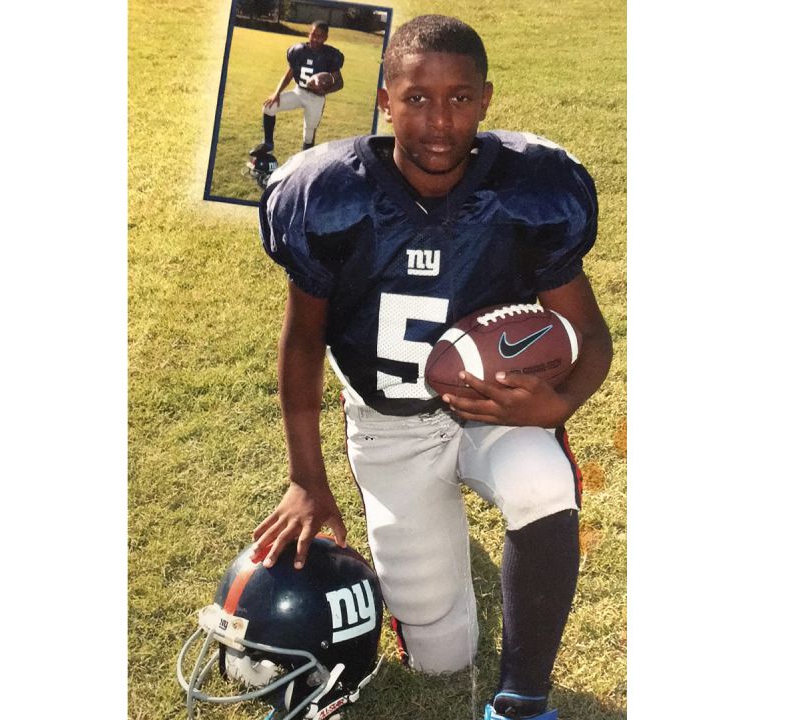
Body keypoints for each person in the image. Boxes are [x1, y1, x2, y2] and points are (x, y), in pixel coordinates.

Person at [253, 14, 613, 720]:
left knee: (544, 482)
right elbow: (302, 343)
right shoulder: (331, 193)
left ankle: (522, 701)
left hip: (491, 409)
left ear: (485, 99)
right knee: (444, 655)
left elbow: (590, 335)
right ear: (385, 102)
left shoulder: (529, 188)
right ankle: (437, 560)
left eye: (458, 98)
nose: (439, 120)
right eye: (417, 98)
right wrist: (306, 478)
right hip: (389, 425)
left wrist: (556, 404)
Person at [249, 20, 345, 157]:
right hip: (298, 92)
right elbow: (288, 76)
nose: (316, 39)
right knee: (269, 108)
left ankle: (305, 160)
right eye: (313, 35)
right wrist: (276, 93)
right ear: (308, 34)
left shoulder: (330, 55)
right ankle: (268, 144)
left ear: (325, 38)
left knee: (309, 134)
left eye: (320, 36)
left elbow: (339, 83)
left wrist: (325, 91)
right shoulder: (298, 51)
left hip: (316, 98)